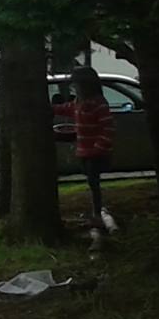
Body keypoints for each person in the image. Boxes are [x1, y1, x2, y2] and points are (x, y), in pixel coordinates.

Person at [53, 67, 115, 229]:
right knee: (91, 182)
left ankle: (96, 213)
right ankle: (95, 212)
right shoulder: (79, 102)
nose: (75, 87)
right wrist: (52, 109)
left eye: (77, 84)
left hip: (95, 153)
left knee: (94, 184)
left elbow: (108, 128)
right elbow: (67, 108)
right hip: (84, 152)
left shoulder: (98, 103)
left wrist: (98, 147)